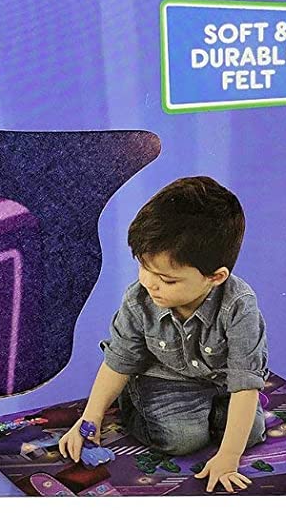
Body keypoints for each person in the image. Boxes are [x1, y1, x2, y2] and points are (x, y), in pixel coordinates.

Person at [58, 176, 267, 493]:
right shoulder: (139, 300)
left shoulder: (240, 307)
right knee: (181, 439)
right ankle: (134, 402)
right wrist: (91, 418)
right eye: (143, 267)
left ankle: (209, 415)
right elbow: (118, 361)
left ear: (215, 277)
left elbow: (245, 383)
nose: (148, 283)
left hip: (218, 382)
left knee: (250, 433)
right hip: (162, 378)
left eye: (167, 280)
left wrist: (229, 456)